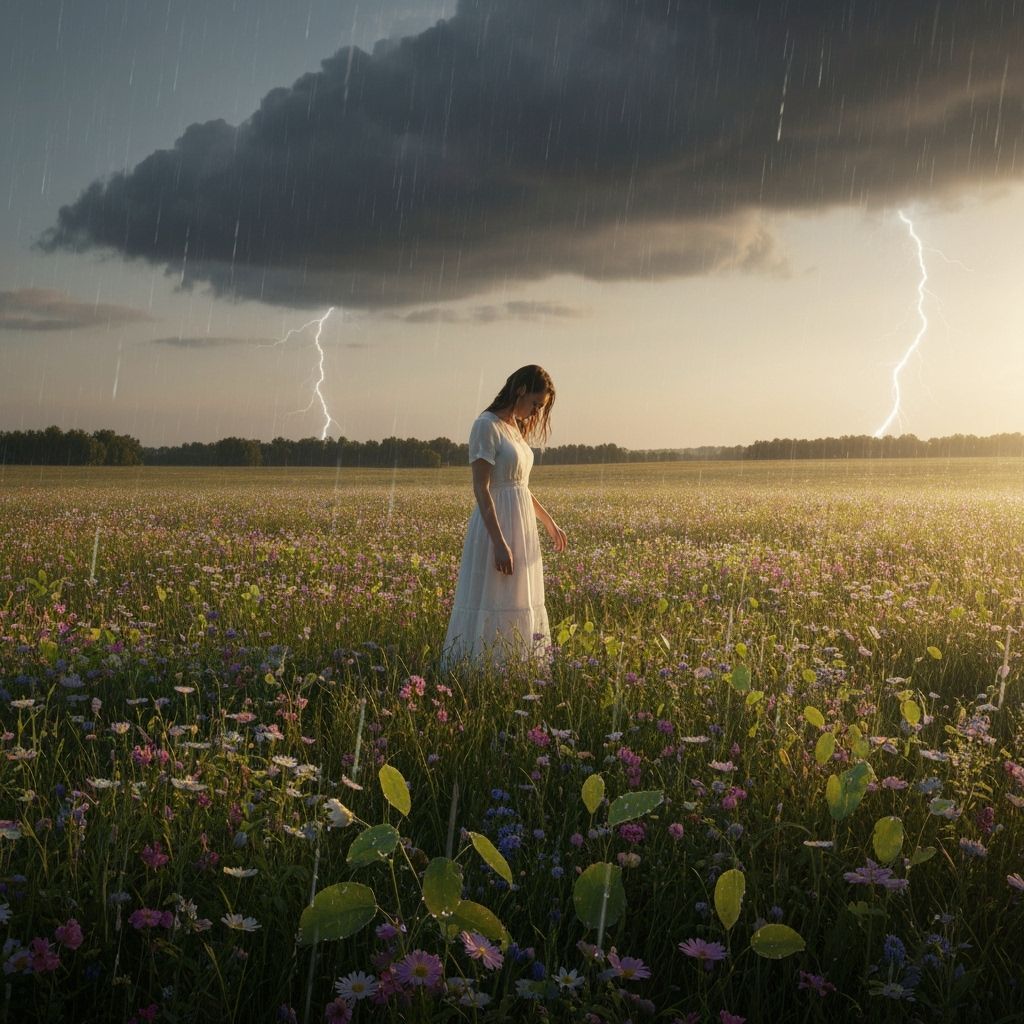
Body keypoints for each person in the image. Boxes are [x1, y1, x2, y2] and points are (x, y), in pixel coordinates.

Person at [441, 365, 567, 668]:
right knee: (492, 596)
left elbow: (520, 486)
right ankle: (480, 669)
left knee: (518, 599)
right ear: (521, 389)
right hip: (495, 527)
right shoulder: (486, 425)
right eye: (536, 403)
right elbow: (482, 488)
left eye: (542, 407)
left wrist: (549, 522)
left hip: (521, 527)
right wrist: (499, 542)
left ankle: (515, 667)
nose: (536, 412)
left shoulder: (515, 428)